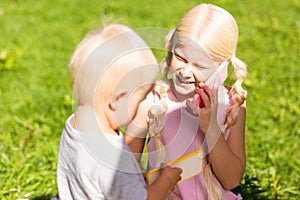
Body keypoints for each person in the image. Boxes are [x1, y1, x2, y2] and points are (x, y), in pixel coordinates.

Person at [126, 3, 247, 200]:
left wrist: (212, 129)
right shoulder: (152, 101)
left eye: (199, 65)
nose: (185, 72)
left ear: (222, 66)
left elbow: (231, 180)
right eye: (180, 57)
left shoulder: (233, 105)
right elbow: (125, 169)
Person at [56, 24, 182, 200]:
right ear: (117, 99)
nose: (142, 106)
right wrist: (166, 181)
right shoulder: (114, 159)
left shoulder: (74, 125)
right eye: (140, 99)